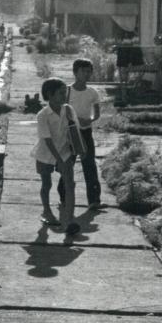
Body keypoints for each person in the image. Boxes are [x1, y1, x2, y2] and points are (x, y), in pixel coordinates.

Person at [32, 78, 82, 236]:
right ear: (50, 94)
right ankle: (47, 211)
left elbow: (75, 131)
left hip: (65, 151)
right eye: (60, 93)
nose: (64, 96)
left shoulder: (68, 110)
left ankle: (70, 221)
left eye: (65, 93)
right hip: (45, 153)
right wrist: (58, 161)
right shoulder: (43, 115)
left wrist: (79, 150)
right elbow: (46, 140)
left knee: (70, 184)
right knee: (46, 184)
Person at [58, 58, 103, 209]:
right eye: (84, 71)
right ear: (75, 72)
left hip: (85, 133)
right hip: (70, 134)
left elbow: (96, 114)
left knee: (89, 164)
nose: (87, 74)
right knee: (67, 164)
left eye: (89, 71)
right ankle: (64, 197)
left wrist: (89, 120)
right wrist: (73, 121)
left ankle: (94, 200)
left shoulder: (93, 92)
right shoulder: (66, 91)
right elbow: (60, 112)